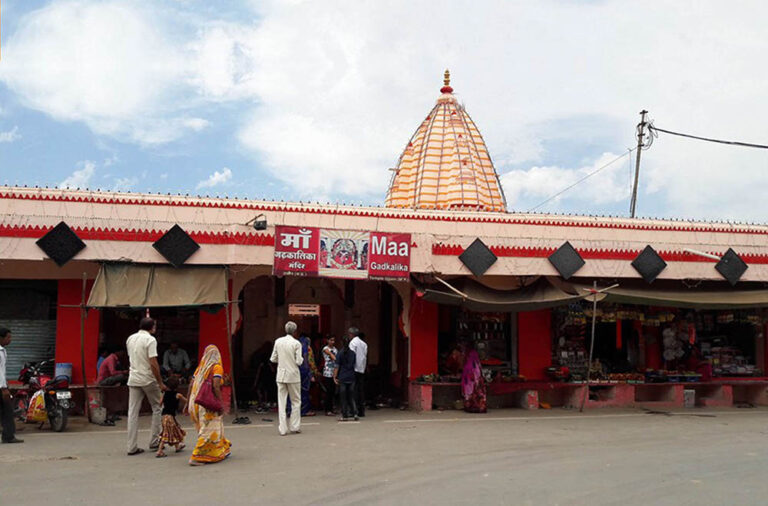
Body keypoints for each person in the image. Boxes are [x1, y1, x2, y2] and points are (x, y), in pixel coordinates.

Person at [126, 317, 167, 456]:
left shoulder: (130, 338)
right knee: (157, 407)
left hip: (134, 378)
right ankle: (154, 441)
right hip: (148, 379)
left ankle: (131, 447)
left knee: (132, 412)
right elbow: (153, 362)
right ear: (152, 327)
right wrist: (160, 382)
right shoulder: (150, 340)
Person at [187, 345, 231, 465]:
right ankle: (197, 457)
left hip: (195, 402)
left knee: (213, 428)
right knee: (208, 431)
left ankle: (221, 450)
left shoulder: (200, 369)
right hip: (207, 405)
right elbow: (216, 386)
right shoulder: (217, 368)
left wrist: (187, 403)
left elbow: (191, 385)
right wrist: (221, 403)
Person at [270, 321, 303, 436]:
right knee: (296, 401)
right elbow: (299, 361)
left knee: (281, 402)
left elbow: (273, 359)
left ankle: (282, 429)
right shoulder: (297, 343)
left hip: (281, 375)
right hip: (293, 375)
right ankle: (294, 426)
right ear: (295, 331)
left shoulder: (278, 341)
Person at [0, 327, 22, 444]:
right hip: (1, 387)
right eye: (8, 337)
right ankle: (8, 436)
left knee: (7, 411)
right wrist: (3, 388)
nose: (10, 339)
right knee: (7, 411)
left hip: (2, 385)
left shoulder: (3, 351)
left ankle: (8, 436)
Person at [156, 376, 187, 458]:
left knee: (174, 430)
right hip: (170, 417)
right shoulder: (178, 395)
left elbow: (160, 403)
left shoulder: (164, 394)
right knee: (166, 433)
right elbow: (186, 401)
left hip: (164, 416)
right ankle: (159, 451)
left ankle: (177, 446)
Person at [333, 336, 357, 421]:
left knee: (343, 397)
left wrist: (334, 376)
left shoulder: (340, 353)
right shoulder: (353, 353)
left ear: (341, 343)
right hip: (351, 376)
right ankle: (355, 413)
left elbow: (337, 366)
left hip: (343, 377)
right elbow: (354, 364)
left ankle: (345, 415)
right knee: (351, 396)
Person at [461, 341, 487, 413]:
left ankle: (471, 407)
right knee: (477, 392)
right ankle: (479, 407)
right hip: (476, 377)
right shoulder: (474, 355)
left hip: (470, 378)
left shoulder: (468, 355)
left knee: (470, 392)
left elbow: (466, 366)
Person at [348, 327, 368, 417]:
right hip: (361, 369)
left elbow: (351, 356)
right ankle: (361, 411)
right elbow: (365, 356)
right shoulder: (364, 344)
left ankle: (353, 410)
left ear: (351, 334)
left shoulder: (352, 343)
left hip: (354, 368)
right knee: (361, 390)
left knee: (353, 390)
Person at [298, 333, 318, 417]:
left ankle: (292, 410)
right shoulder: (308, 349)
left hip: (296, 372)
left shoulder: (296, 346)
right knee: (305, 392)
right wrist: (313, 373)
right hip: (305, 373)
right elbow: (309, 362)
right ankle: (304, 410)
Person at [321, 336, 338, 416]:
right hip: (327, 371)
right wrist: (335, 358)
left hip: (334, 372)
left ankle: (332, 408)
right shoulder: (325, 348)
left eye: (333, 340)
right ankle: (327, 409)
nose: (332, 342)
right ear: (327, 340)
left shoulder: (335, 349)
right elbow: (333, 357)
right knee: (328, 391)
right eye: (331, 340)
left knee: (333, 391)